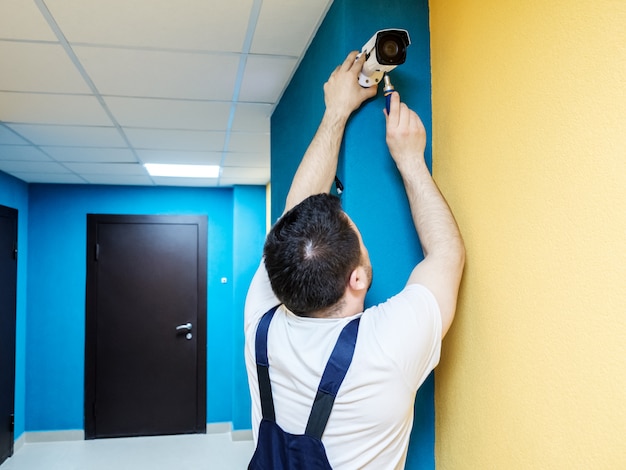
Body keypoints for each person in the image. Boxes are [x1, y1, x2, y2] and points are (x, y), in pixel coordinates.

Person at [244, 51, 465, 469]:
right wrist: (411, 160)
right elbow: (447, 254)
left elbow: (295, 214)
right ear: (358, 279)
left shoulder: (261, 323)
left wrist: (336, 112)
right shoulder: (387, 348)